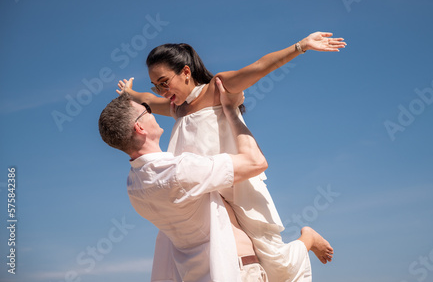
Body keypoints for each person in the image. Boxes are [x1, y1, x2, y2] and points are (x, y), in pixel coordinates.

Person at [118, 32, 343, 281]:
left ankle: (307, 238)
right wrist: (130, 93)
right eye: (156, 85)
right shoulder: (176, 108)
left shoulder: (217, 88)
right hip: (204, 190)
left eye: (164, 82)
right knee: (219, 261)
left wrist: (301, 46)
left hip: (237, 182)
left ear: (185, 72)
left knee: (276, 265)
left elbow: (258, 68)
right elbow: (147, 100)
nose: (161, 91)